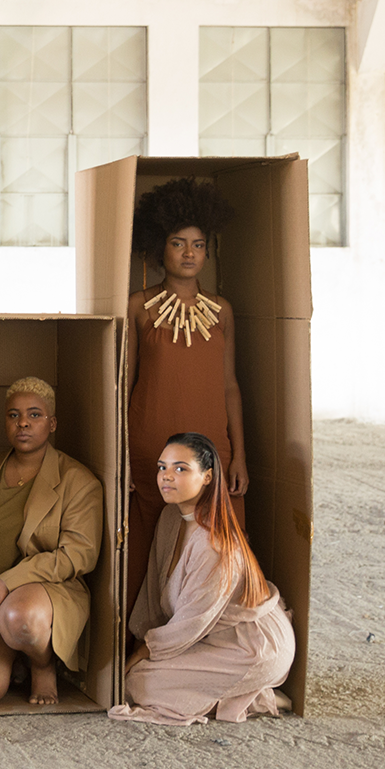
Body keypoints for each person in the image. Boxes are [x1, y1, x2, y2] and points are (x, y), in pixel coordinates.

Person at [109, 433, 293, 727]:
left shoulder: (214, 543)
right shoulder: (170, 517)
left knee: (138, 684)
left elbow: (192, 620)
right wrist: (141, 642)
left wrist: (147, 650)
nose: (166, 477)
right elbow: (153, 593)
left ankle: (258, 697)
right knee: (128, 678)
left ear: (207, 477)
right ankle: (231, 695)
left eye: (180, 469)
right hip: (207, 638)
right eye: (162, 467)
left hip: (253, 645)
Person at [125, 177, 245, 616]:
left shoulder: (222, 310)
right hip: (148, 450)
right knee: (147, 549)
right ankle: (139, 645)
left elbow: (230, 385)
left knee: (217, 548)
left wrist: (240, 456)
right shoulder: (139, 306)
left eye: (198, 244)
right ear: (162, 249)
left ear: (207, 252)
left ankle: (210, 643)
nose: (190, 252)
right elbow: (125, 382)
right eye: (178, 243)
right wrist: (120, 455)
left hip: (213, 451)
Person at [0, 378, 103, 707]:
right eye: (13, 415)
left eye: (34, 415)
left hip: (43, 595)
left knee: (19, 617)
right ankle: (12, 656)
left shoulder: (79, 481)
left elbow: (79, 555)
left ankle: (41, 663)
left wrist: (8, 581)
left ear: (52, 423)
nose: (23, 423)